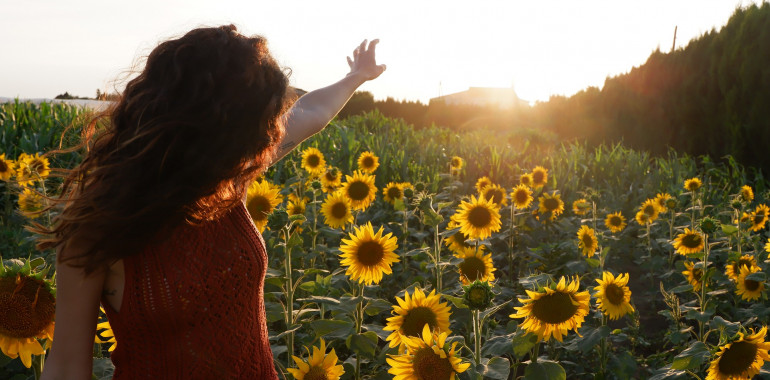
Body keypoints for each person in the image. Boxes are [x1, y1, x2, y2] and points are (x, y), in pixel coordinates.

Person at [38, 24, 385, 379]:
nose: (268, 139)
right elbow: (66, 366)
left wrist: (355, 77)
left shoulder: (225, 181)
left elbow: (308, 114)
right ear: (215, 126)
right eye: (257, 126)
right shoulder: (98, 230)